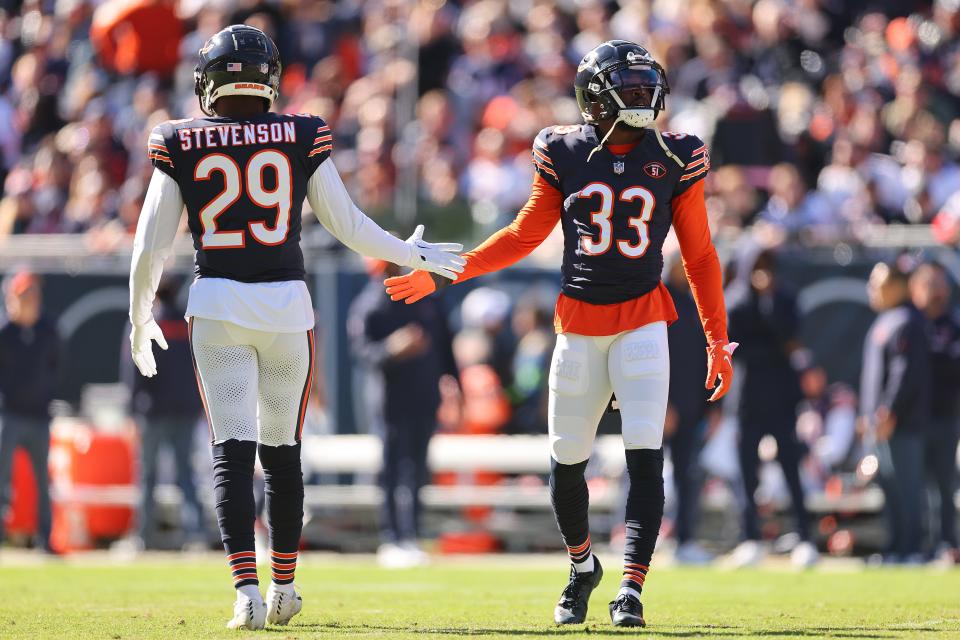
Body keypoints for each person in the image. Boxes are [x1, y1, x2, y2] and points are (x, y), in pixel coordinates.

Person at [385, 40, 735, 628]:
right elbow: (523, 236)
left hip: (645, 322)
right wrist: (449, 272)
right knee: (566, 461)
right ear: (596, 97)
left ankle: (632, 589)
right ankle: (581, 566)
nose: (643, 97)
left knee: (646, 455)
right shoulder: (563, 148)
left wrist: (716, 339)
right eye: (629, 87)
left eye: (647, 86)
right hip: (578, 326)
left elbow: (699, 255)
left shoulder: (678, 154)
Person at [127, 25, 464, 630]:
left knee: (231, 451)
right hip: (285, 305)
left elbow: (151, 242)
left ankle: (245, 595)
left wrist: (139, 311)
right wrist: (409, 255)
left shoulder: (181, 140)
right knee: (283, 454)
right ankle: (284, 585)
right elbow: (348, 224)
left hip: (218, 303)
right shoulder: (300, 133)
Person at [348, 259, 458, 568]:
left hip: (425, 396)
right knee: (392, 470)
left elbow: (445, 347)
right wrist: (393, 348)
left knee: (419, 470)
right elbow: (363, 353)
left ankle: (412, 535)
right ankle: (393, 537)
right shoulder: (370, 304)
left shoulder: (426, 298)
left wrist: (454, 385)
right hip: (390, 400)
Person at [726, 248, 817, 568]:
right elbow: (735, 344)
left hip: (781, 400)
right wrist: (773, 346)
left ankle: (805, 537)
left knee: (791, 469)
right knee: (746, 474)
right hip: (748, 401)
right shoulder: (737, 300)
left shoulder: (785, 298)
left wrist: (769, 304)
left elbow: (791, 335)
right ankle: (749, 538)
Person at [121, 277, 206, 551]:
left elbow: (133, 374)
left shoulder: (143, 326)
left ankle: (144, 537)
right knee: (187, 475)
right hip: (185, 412)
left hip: (153, 412)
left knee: (147, 476)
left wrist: (133, 411)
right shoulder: (186, 326)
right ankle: (195, 536)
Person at [861, 261, 930, 563]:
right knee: (889, 488)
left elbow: (906, 373)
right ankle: (895, 547)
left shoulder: (907, 321)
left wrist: (889, 410)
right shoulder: (885, 321)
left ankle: (913, 548)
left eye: (880, 284)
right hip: (881, 423)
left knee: (908, 487)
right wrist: (868, 414)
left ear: (900, 286)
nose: (873, 290)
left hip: (902, 423)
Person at [0, 270, 59, 553]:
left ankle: (45, 539)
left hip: (38, 416)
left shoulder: (48, 328)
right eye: (25, 295)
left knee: (43, 483)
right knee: (2, 478)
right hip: (8, 415)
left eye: (34, 295)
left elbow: (58, 365)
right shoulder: (4, 332)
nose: (31, 301)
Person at [662, 254, 712, 565]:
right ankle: (635, 536)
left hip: (692, 407)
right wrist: (662, 402)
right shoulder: (658, 299)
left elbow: (702, 357)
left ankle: (686, 539)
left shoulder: (697, 301)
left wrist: (711, 405)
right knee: (644, 473)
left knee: (689, 476)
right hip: (661, 407)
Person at [908, 262, 959, 561]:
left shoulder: (953, 324)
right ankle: (918, 545)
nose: (937, 292)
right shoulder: (910, 323)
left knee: (943, 484)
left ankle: (947, 543)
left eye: (940, 285)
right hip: (914, 419)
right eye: (931, 285)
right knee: (915, 486)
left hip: (945, 415)